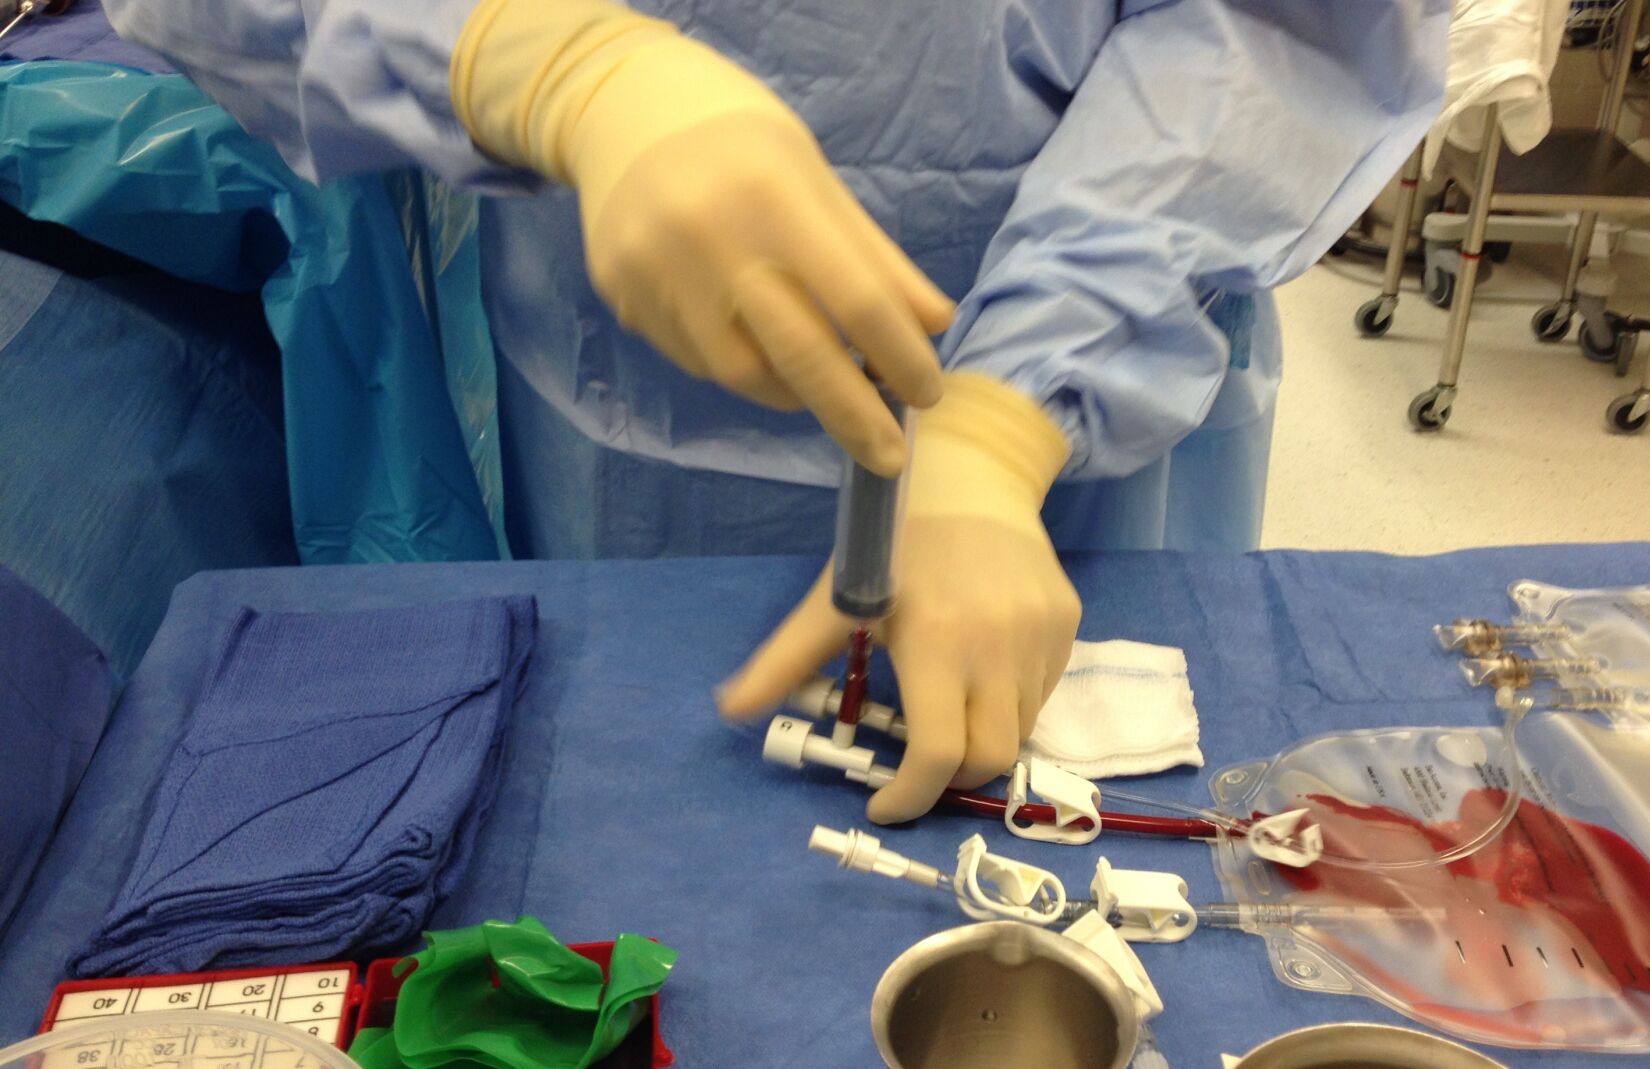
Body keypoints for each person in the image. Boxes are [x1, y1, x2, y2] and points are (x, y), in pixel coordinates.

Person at [102, 0, 1447, 823]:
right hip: (619, 412)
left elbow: (1285, 35)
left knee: (1087, 816)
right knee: (631, 820)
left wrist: (1011, 415)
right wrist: (535, 57)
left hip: (1108, 402)